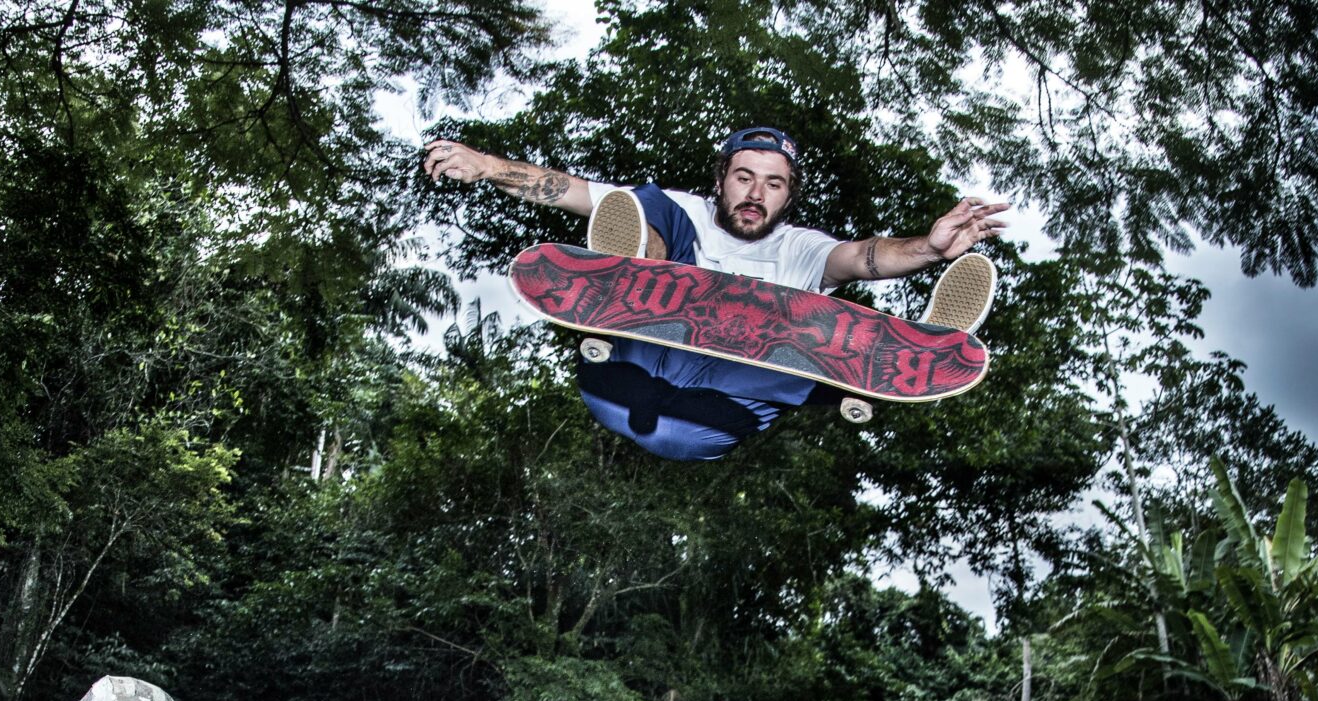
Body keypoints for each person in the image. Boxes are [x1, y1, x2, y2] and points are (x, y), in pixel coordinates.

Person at [423, 125, 1008, 460]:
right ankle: (627, 269)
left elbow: (863, 258)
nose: (755, 194)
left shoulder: (801, 247)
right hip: (623, 378)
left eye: (773, 184)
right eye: (744, 177)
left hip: (716, 416)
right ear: (722, 179)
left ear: (788, 196)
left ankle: (914, 347)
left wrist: (930, 249)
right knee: (646, 206)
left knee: (817, 320)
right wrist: (485, 165)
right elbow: (570, 190)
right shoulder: (689, 211)